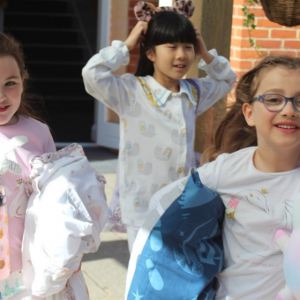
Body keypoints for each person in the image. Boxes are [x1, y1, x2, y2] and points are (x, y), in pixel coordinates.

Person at [130, 54, 300, 299]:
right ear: (249, 113)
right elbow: (164, 206)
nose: (289, 110)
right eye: (273, 99)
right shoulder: (226, 171)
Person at [82, 0, 236, 252]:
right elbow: (92, 73)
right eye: (172, 46)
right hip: (142, 208)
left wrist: (206, 53)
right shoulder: (131, 91)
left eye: (188, 47)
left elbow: (227, 79)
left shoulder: (193, 93)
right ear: (151, 53)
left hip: (181, 204)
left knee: (174, 275)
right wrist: (127, 44)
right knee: (145, 277)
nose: (181, 55)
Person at [0, 33, 108, 299]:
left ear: (23, 82)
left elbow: (58, 199)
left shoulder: (37, 132)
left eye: (10, 83)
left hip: (29, 270)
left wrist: (70, 250)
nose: (1, 96)